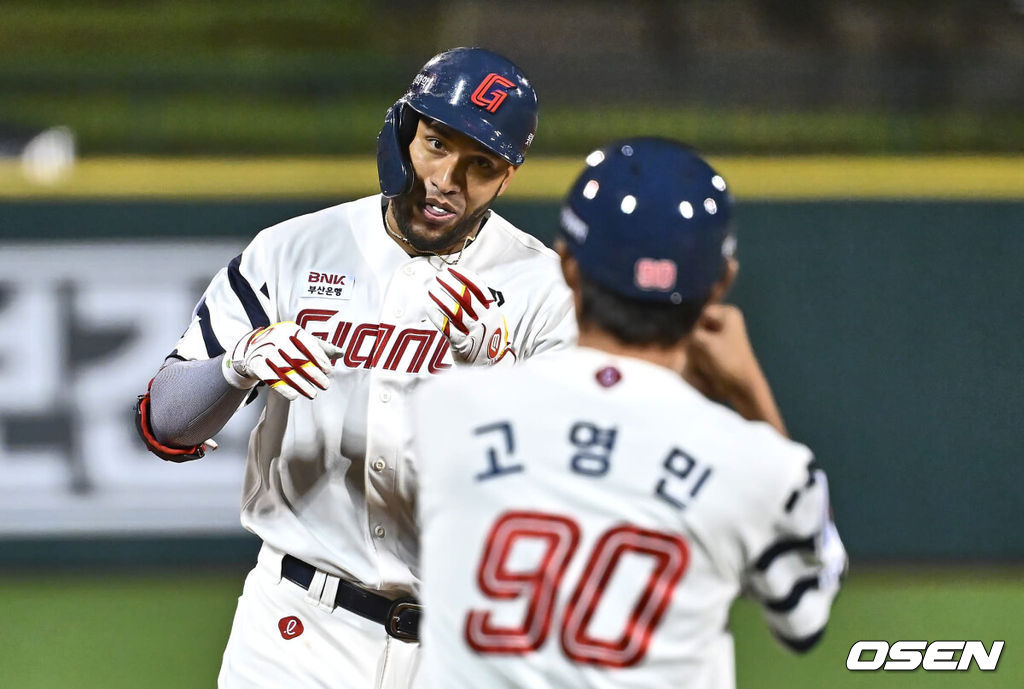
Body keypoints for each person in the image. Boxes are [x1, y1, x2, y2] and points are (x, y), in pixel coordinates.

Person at [133, 47, 576, 688]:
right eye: (437, 144)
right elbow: (165, 421)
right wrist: (238, 364)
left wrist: (504, 374)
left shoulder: (544, 288)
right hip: (294, 633)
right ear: (402, 132)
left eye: (481, 164)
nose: (449, 178)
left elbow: (579, 487)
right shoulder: (291, 251)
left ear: (507, 177)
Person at [413, 138, 847, 689]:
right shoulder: (762, 465)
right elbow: (804, 614)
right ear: (719, 284)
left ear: (566, 265)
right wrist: (752, 396)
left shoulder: (447, 411)